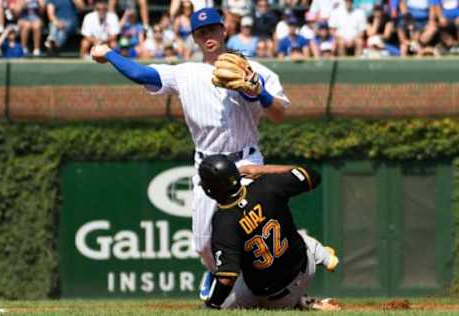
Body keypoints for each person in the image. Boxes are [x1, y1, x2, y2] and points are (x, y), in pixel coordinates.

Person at [90, 7, 289, 300]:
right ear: (195, 38)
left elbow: (279, 114)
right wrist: (109, 54)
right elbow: (139, 72)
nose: (208, 35)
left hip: (246, 162)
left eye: (212, 29)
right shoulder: (185, 73)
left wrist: (259, 92)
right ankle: (218, 271)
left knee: (253, 230)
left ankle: (272, 290)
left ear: (224, 30)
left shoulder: (256, 71)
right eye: (201, 32)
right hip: (208, 167)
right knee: (203, 244)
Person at [198, 155, 339, 309]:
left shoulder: (223, 221)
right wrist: (262, 170)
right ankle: (321, 257)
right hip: (306, 267)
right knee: (295, 236)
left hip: (275, 297)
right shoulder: (267, 185)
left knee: (224, 297)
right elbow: (311, 175)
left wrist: (211, 305)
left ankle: (297, 304)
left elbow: (227, 278)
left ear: (210, 190)